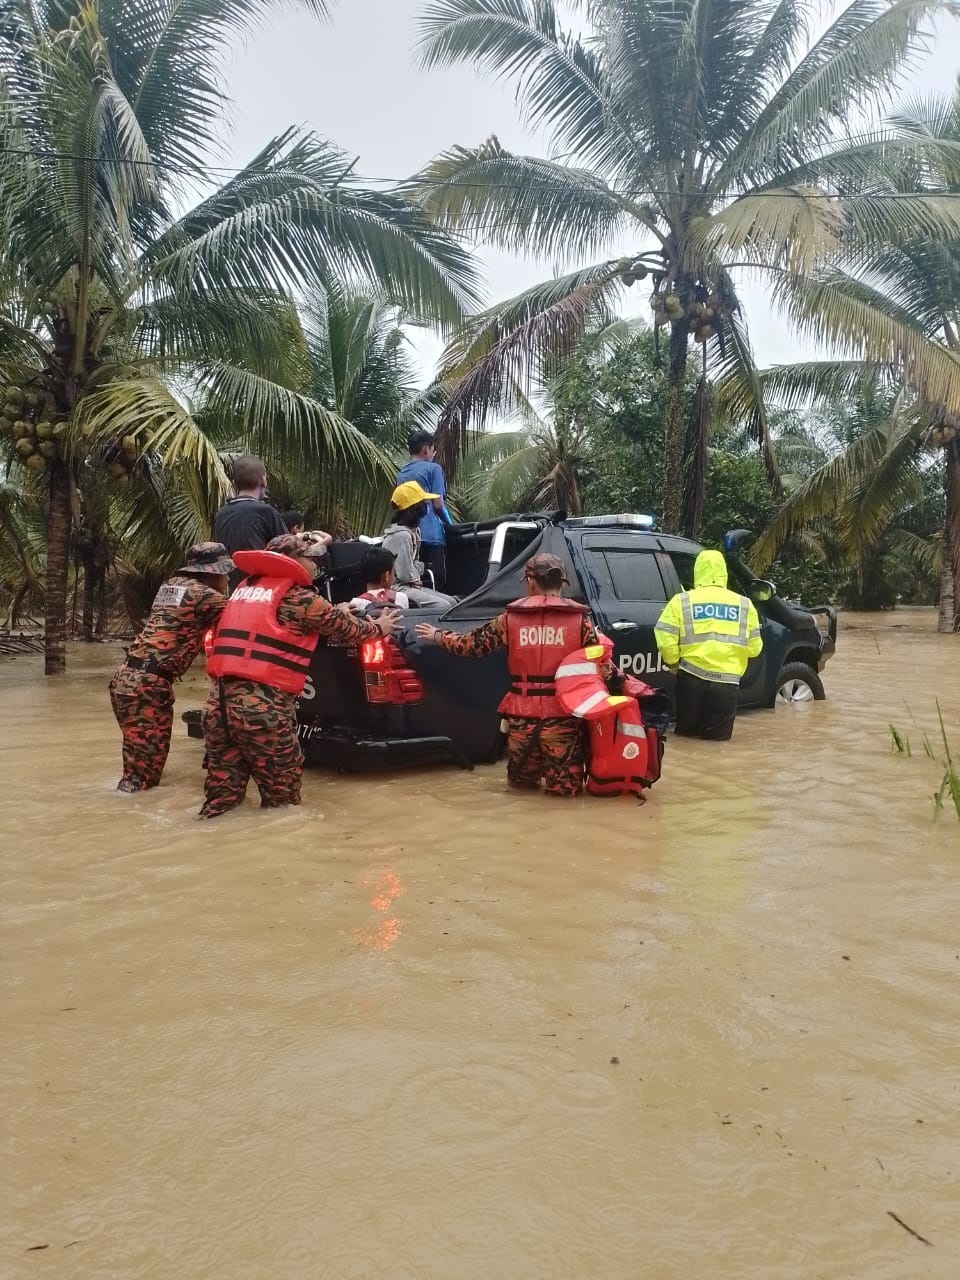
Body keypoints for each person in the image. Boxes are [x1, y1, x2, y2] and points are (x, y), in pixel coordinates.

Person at [199, 532, 399, 818]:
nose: (315, 564)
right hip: (262, 710)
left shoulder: (242, 591)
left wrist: (334, 609)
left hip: (216, 707)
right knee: (283, 806)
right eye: (310, 557)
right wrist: (380, 627)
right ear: (292, 560)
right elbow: (349, 629)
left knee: (221, 803)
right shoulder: (300, 597)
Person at [415, 553, 598, 796]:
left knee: (521, 791)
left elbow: (471, 644)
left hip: (522, 721)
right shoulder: (581, 622)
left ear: (530, 582)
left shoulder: (509, 620)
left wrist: (438, 636)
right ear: (561, 583)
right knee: (565, 794)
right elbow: (601, 666)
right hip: (563, 720)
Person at [109, 543, 233, 792]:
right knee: (143, 776)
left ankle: (125, 803)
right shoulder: (204, 595)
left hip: (127, 679)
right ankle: (127, 810)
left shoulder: (171, 586)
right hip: (148, 685)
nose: (228, 579)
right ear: (213, 573)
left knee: (136, 762)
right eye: (225, 574)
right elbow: (246, 614)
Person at [654, 548, 763, 741]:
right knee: (716, 744)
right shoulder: (745, 604)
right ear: (723, 572)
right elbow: (754, 649)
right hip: (726, 684)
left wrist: (673, 662)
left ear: (698, 571)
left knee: (685, 739)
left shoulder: (682, 601)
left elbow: (664, 633)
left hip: (690, 678)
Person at [382, 482, 455, 607]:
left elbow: (414, 566)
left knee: (452, 602)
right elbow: (405, 575)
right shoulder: (401, 536)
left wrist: (416, 573)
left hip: (410, 585)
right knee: (443, 606)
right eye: (424, 503)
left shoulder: (415, 531)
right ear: (415, 507)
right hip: (397, 588)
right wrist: (416, 575)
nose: (427, 505)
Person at [396, 430, 451, 590]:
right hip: (432, 536)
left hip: (409, 536)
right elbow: (438, 505)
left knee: (416, 582)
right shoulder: (434, 469)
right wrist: (450, 524)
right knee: (436, 581)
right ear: (427, 449)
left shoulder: (402, 473)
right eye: (433, 450)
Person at [212, 455, 287, 562]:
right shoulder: (266, 512)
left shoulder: (220, 514)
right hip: (258, 572)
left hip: (228, 573)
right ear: (263, 480)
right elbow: (288, 549)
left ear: (234, 483)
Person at [348, 547, 410, 612]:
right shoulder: (401, 598)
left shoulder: (355, 603)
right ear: (386, 576)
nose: (395, 576)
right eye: (394, 572)